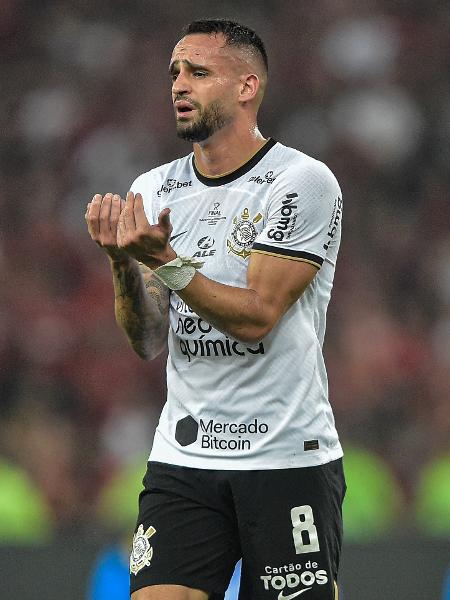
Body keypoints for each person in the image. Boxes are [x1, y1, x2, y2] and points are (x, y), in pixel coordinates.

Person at [85, 18, 345, 600]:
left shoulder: (302, 182)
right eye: (175, 73)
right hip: (185, 455)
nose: (179, 85)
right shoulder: (153, 190)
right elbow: (148, 340)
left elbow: (258, 316)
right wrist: (123, 262)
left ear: (247, 87)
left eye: (199, 73)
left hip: (285, 457)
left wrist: (171, 262)